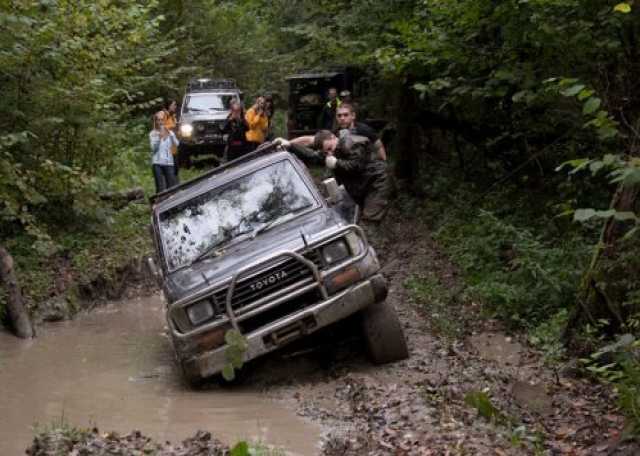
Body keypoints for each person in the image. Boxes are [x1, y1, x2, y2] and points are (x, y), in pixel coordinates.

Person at [276, 130, 391, 222]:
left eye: (330, 149)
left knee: (369, 224)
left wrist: (337, 164)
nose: (330, 153)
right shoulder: (332, 152)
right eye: (326, 152)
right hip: (363, 188)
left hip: (377, 183)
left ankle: (369, 249)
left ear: (333, 138)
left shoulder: (352, 143)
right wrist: (290, 145)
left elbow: (356, 165)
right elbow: (311, 155)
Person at [149, 111, 180, 193]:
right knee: (160, 188)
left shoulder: (170, 133)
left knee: (171, 187)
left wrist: (171, 134)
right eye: (158, 120)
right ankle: (160, 204)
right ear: (155, 121)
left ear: (164, 121)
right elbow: (154, 149)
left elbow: (177, 144)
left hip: (168, 162)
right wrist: (159, 138)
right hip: (157, 163)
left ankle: (172, 203)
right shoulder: (153, 133)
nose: (160, 122)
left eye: (161, 120)